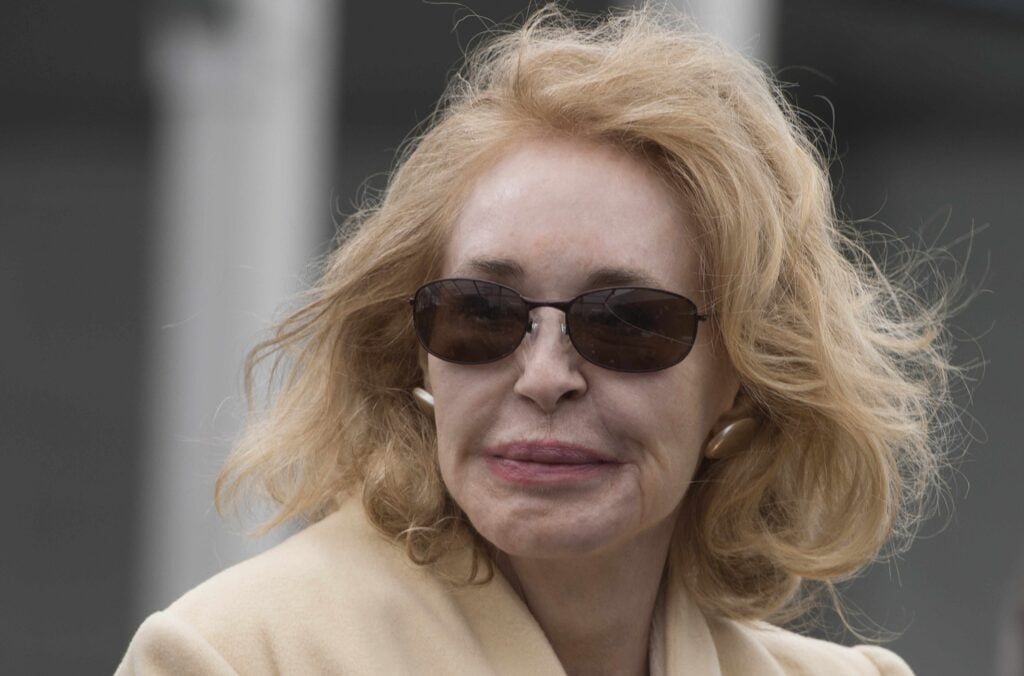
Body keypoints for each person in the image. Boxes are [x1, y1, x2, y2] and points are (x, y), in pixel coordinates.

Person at [117, 4, 956, 674]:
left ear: (746, 373)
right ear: (413, 350)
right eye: (482, 314)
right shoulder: (232, 658)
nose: (545, 376)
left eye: (624, 321)